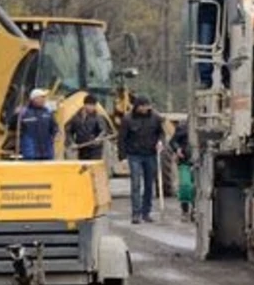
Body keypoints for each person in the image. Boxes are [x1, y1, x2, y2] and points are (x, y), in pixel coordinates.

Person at [118, 95, 166, 224]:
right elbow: (121, 139)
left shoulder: (155, 118)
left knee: (149, 184)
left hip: (150, 154)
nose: (146, 109)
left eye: (147, 106)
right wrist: (122, 157)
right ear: (138, 107)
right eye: (143, 106)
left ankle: (146, 213)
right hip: (134, 155)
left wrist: (161, 142)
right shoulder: (128, 119)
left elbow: (161, 133)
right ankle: (136, 214)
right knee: (136, 184)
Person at [18, 88, 58, 160]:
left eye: (44, 98)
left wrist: (52, 139)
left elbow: (54, 127)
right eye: (41, 97)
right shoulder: (24, 113)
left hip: (47, 153)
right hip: (31, 153)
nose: (43, 100)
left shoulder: (48, 112)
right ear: (34, 99)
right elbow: (14, 127)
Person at [66, 94, 109, 161]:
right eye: (90, 105)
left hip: (95, 149)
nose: (92, 107)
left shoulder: (98, 117)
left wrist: (99, 138)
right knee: (83, 169)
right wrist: (72, 142)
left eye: (94, 105)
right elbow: (68, 131)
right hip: (82, 148)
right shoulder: (76, 117)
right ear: (85, 105)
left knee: (93, 169)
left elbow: (104, 130)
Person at [169, 120, 194, 221]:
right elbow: (173, 141)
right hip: (185, 162)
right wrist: (177, 149)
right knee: (185, 186)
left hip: (200, 163)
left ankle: (195, 209)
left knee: (197, 188)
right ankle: (185, 210)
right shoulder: (183, 127)